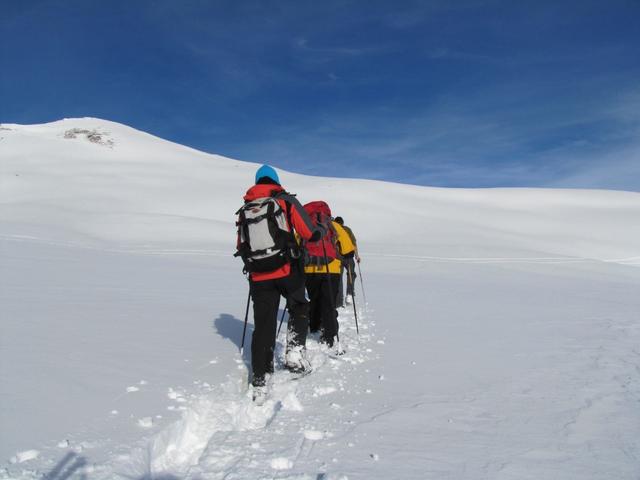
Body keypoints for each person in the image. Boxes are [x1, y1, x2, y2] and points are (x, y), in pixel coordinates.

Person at [235, 165, 324, 401]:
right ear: (276, 180)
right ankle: (294, 355)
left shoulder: (247, 208)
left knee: (263, 323)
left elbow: (240, 246)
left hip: (258, 275)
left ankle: (260, 376)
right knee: (299, 306)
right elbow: (307, 231)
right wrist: (316, 234)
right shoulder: (284, 200)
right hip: (286, 269)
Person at [303, 202, 355, 352]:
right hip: (330, 268)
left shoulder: (306, 224)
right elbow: (348, 248)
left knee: (314, 299)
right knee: (329, 301)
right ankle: (329, 335)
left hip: (309, 268)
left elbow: (297, 241)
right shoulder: (333, 225)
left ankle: (314, 326)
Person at [334, 216, 360, 306]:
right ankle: (349, 294)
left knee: (338, 277)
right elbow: (354, 243)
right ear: (343, 223)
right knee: (351, 274)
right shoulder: (347, 230)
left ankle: (338, 301)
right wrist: (357, 256)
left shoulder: (333, 230)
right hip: (349, 256)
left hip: (338, 258)